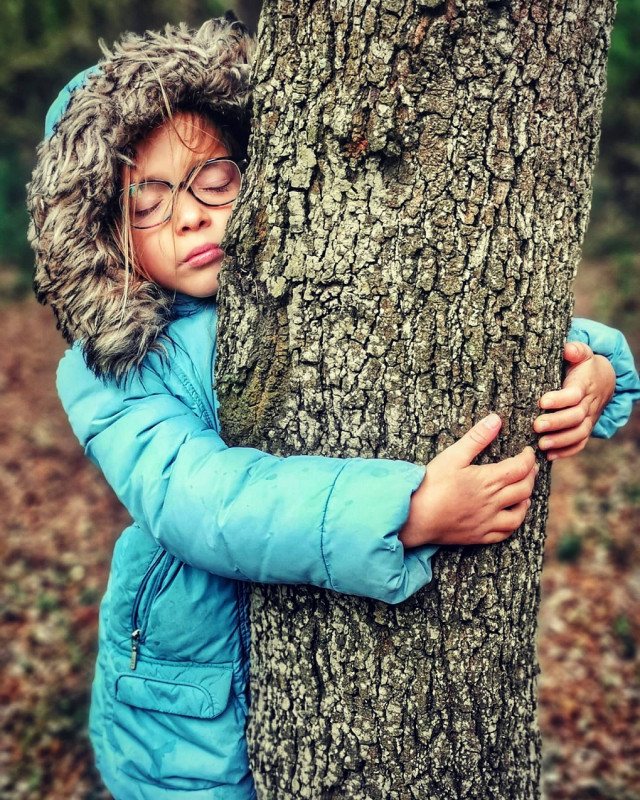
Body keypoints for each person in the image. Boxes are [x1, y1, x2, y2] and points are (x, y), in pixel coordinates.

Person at [27, 16, 640, 800]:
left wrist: (589, 368)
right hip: (183, 727)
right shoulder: (112, 371)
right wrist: (402, 511)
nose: (190, 214)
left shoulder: (298, 285)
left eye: (214, 180)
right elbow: (203, 501)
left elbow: (453, 328)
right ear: (106, 234)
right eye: (147, 201)